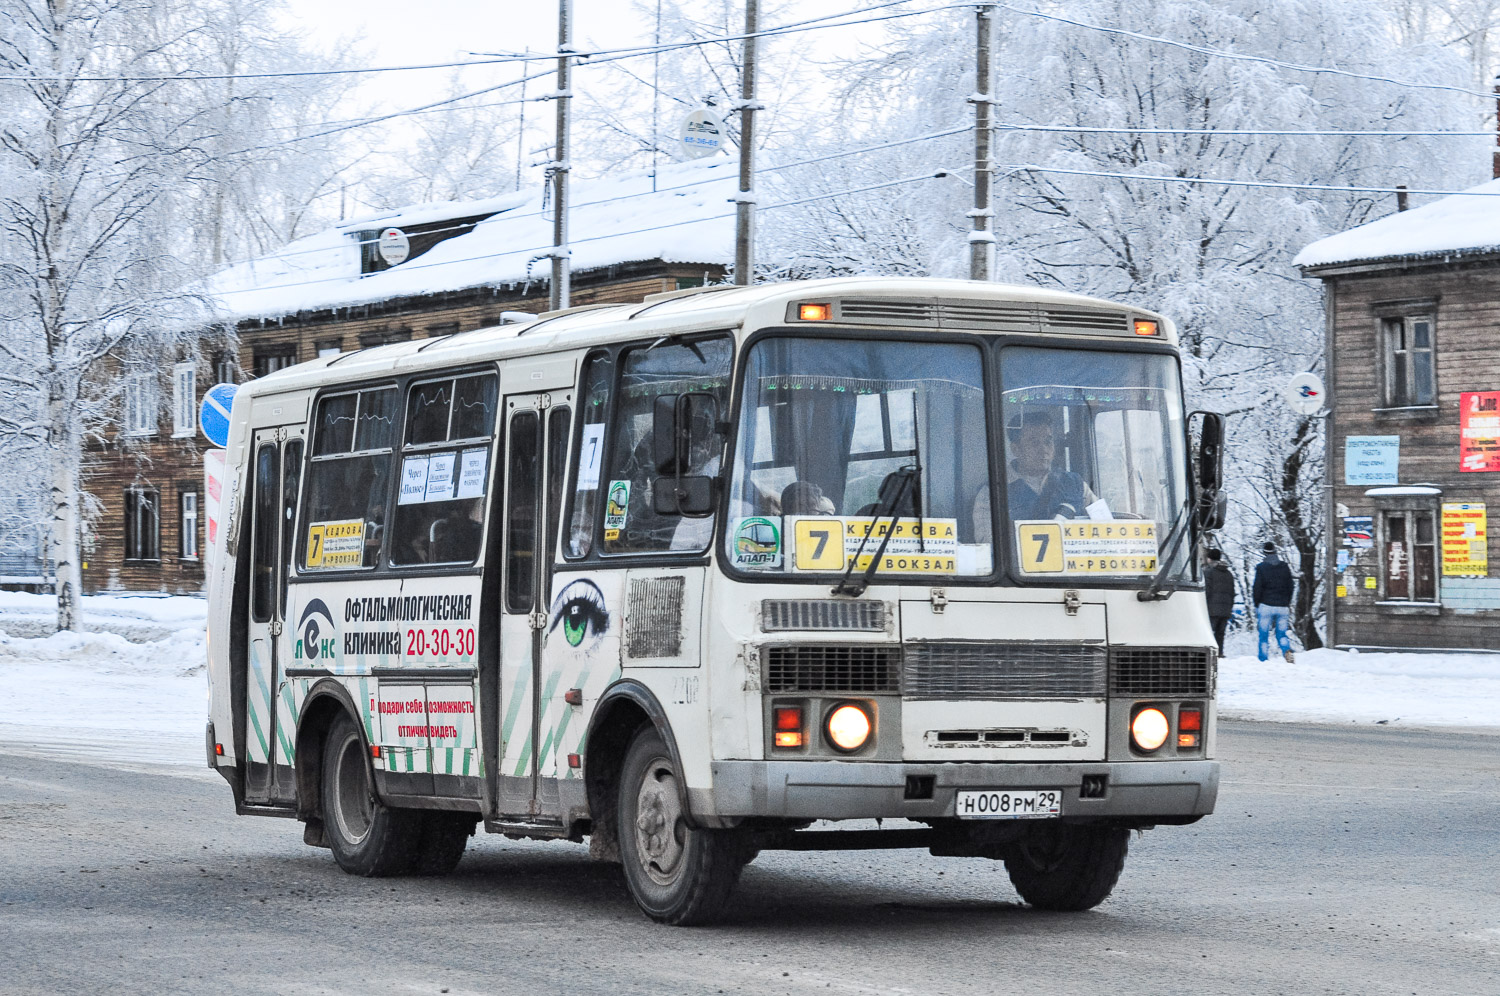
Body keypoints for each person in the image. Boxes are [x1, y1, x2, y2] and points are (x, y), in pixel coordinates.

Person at [1006, 412, 1097, 520]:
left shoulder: (1075, 483)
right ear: (1016, 449)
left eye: (1048, 442)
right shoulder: (995, 490)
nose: (1044, 450)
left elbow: (1105, 523)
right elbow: (988, 534)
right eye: (1034, 443)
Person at [1251, 541, 1295, 662]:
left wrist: (1257, 604)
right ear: (1275, 552)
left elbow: (1257, 588)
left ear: (1264, 553)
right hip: (1283, 606)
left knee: (1264, 635)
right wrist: (1287, 602)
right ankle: (1287, 651)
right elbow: (1291, 586)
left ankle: (1263, 659)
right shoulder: (1284, 567)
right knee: (1282, 634)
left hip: (1266, 605)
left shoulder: (1261, 568)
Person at [1203, 548, 1235, 655]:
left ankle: (1209, 654)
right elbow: (1232, 592)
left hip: (1212, 608)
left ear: (1209, 559)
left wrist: (1203, 605)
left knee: (1209, 632)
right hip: (1225, 608)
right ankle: (1219, 652)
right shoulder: (1228, 574)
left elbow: (1207, 590)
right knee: (1220, 633)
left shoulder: (1208, 572)